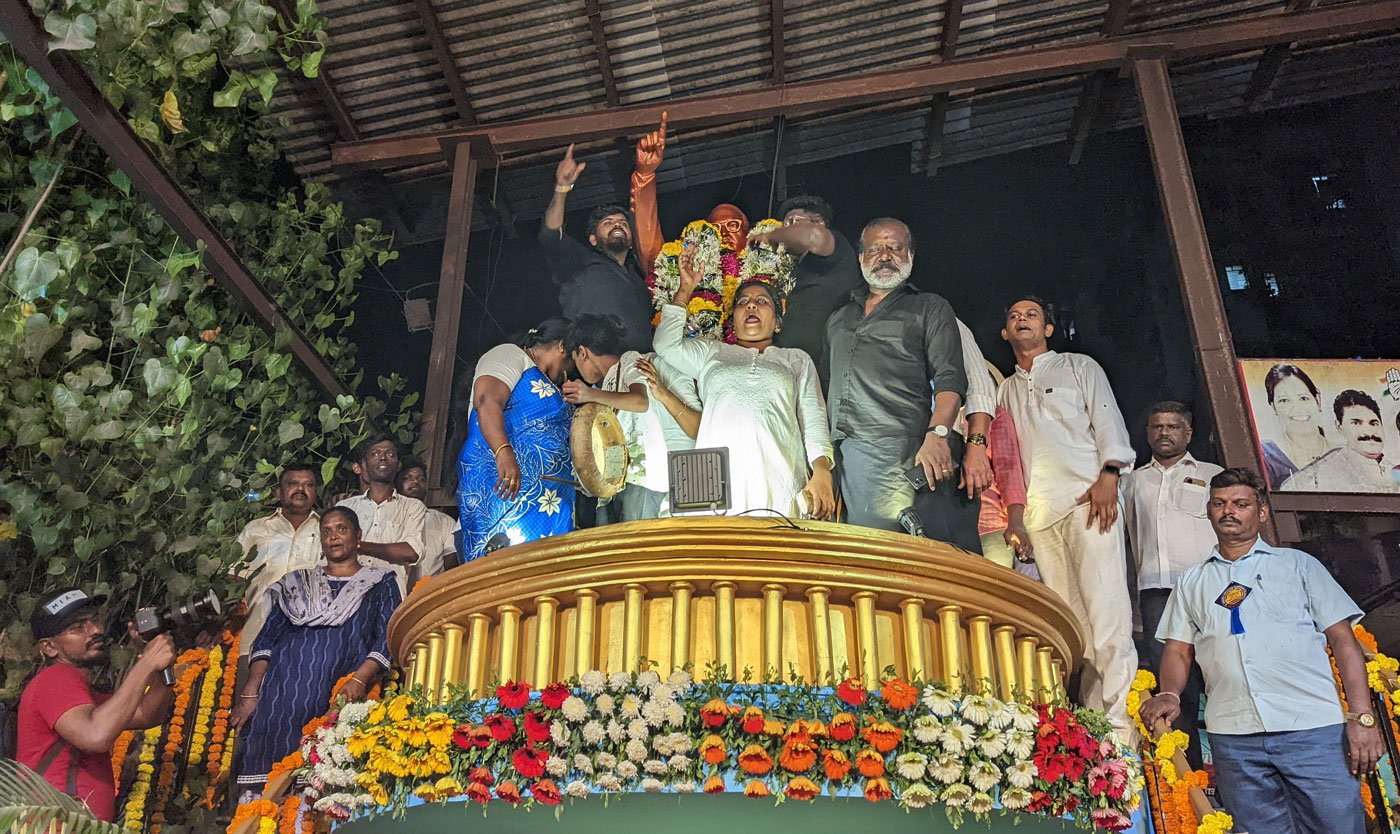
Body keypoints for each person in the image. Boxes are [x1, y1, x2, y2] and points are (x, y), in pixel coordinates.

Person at [1140, 468, 1380, 834]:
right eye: (1219, 504)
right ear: (1208, 511)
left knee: (1338, 828)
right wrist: (1170, 692)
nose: (1228, 512)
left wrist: (1362, 717)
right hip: (1235, 739)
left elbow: (1343, 640)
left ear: (1262, 512)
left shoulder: (1298, 566)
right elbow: (1178, 648)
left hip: (1312, 730)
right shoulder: (1192, 580)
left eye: (1241, 504)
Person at [997, 295, 1137, 739]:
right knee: (1072, 629)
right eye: (1014, 316)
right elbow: (1010, 461)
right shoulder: (1006, 389)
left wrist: (1110, 473)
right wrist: (1016, 519)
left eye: (1032, 315)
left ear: (1049, 328)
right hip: (1042, 517)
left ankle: (1120, 728)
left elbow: (1107, 420)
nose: (1022, 321)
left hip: (1089, 502)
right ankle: (1090, 727)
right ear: (1005, 333)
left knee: (1108, 615)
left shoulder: (1079, 367)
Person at [655, 251, 835, 519]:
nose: (751, 306)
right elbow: (665, 345)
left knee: (771, 552)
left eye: (761, 301)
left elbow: (814, 418)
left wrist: (821, 470)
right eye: (743, 302)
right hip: (708, 480)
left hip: (775, 476)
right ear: (733, 319)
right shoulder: (712, 353)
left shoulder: (795, 360)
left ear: (777, 322)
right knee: (702, 556)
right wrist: (685, 291)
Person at [231, 507, 399, 792]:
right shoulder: (296, 583)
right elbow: (266, 639)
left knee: (326, 783)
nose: (333, 537)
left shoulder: (380, 582)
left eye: (341, 529)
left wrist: (360, 679)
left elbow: (386, 637)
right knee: (267, 793)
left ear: (357, 536)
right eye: (327, 531)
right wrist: (250, 692)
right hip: (281, 698)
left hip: (339, 695)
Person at [825, 218, 972, 546]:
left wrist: (938, 436)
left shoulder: (930, 308)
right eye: (875, 248)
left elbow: (950, 380)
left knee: (906, 562)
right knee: (859, 565)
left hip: (900, 451)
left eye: (895, 248)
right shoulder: (838, 319)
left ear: (911, 256)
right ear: (861, 257)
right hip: (846, 459)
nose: (885, 256)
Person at [1121, 401, 1222, 768]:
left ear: (1188, 433)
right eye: (1157, 426)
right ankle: (1189, 776)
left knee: (1219, 675)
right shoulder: (1131, 482)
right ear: (1148, 433)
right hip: (1155, 593)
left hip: (1207, 587)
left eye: (1173, 426)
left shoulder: (1213, 475)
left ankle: (1230, 775)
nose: (1164, 433)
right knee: (1173, 690)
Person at [18, 588, 176, 820]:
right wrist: (146, 664)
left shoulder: (81, 693)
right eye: (78, 627)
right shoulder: (56, 678)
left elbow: (146, 714)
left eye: (94, 620)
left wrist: (158, 662)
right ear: (49, 647)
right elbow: (96, 736)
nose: (95, 630)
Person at [563, 314, 701, 522]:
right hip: (617, 486)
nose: (579, 372)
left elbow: (640, 401)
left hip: (643, 481)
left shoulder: (629, 361)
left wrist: (589, 394)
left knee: (640, 548)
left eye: (575, 361)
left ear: (582, 352)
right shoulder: (606, 384)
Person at [457, 318, 575, 560]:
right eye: (570, 364)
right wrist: (503, 451)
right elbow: (486, 401)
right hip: (507, 486)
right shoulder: (510, 354)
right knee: (504, 570)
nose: (566, 375)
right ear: (562, 346)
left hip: (547, 503)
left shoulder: (546, 381)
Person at [541, 145, 652, 351]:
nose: (617, 225)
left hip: (646, 369)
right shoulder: (579, 263)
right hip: (601, 372)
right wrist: (562, 188)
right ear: (593, 239)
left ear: (630, 240)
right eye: (608, 223)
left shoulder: (638, 278)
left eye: (623, 223)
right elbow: (551, 236)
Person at [747, 195, 863, 388]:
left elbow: (812, 236)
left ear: (820, 223)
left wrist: (771, 235)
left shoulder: (835, 249)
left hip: (824, 374)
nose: (787, 230)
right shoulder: (797, 267)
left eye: (793, 223)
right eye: (785, 224)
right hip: (790, 371)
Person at [630, 112, 751, 268]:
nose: (724, 234)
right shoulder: (690, 272)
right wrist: (644, 176)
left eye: (733, 225)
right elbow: (652, 257)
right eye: (715, 229)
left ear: (749, 236)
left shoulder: (774, 269)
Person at [234, 463, 322, 656]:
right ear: (278, 493)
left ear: (315, 493)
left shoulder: (327, 531)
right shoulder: (256, 529)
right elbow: (233, 578)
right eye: (293, 483)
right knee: (247, 686)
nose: (300, 489)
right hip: (255, 631)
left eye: (308, 485)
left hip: (306, 638)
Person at [336, 435, 426, 596]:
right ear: (365, 464)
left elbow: (411, 552)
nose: (383, 458)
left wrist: (358, 546)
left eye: (390, 454)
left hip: (389, 598)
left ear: (398, 465)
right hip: (345, 597)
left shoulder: (412, 506)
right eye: (375, 454)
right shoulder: (345, 507)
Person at [1282, 389, 1399, 492]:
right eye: (1356, 423)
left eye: (1374, 423)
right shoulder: (1325, 472)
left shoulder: (1393, 468)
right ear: (1340, 427)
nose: (1368, 432)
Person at [1259, 362, 1334, 489]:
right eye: (1284, 400)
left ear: (1317, 400)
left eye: (1303, 398)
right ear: (1274, 407)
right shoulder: (1267, 455)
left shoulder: (1343, 451)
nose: (1297, 408)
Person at [396, 457, 460, 586]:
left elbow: (451, 567)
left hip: (429, 595)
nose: (415, 482)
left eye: (421, 479)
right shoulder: (387, 516)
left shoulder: (444, 521)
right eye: (407, 478)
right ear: (395, 484)